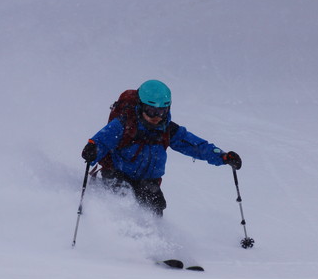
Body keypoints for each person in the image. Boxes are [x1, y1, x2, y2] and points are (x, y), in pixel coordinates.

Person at [81, 79, 241, 216]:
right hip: (116, 173)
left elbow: (197, 146)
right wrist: (92, 149)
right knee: (123, 197)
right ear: (141, 107)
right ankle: (118, 241)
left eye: (162, 111)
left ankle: (153, 244)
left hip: (147, 181)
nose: (157, 117)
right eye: (151, 111)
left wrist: (223, 156)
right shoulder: (124, 125)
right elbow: (102, 141)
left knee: (155, 205)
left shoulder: (167, 129)